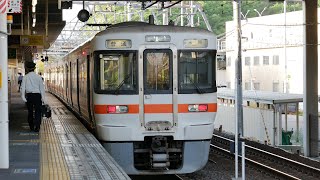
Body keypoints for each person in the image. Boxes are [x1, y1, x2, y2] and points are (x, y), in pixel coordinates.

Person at [21, 62, 46, 132]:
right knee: (38, 111)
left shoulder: (25, 77)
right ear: (34, 69)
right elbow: (42, 89)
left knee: (30, 111)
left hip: (29, 96)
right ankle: (37, 126)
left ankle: (31, 126)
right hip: (37, 96)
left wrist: (23, 97)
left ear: (27, 69)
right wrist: (43, 99)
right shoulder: (38, 77)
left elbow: (22, 88)